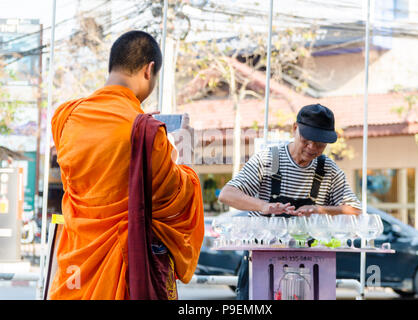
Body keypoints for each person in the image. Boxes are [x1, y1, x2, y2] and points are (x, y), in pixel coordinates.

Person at [49, 30, 204, 300]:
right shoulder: (147, 133)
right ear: (149, 70)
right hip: (124, 265)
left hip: (74, 261)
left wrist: (145, 129)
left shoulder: (66, 116)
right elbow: (174, 198)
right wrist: (179, 150)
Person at [218, 103, 361, 299]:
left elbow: (355, 209)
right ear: (295, 128)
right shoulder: (268, 159)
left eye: (319, 144)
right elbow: (227, 194)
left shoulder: (328, 169)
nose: (312, 148)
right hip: (261, 263)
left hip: (309, 266)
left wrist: (320, 209)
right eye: (306, 140)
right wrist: (264, 206)